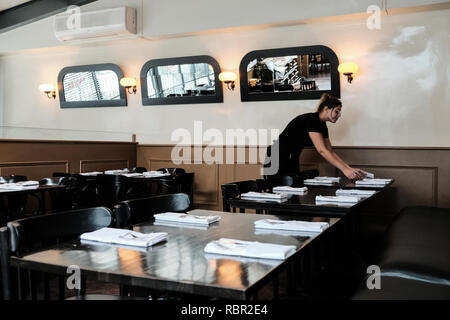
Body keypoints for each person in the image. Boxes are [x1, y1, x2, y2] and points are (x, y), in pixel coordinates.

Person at [263, 93, 367, 180]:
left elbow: (330, 151)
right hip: (276, 157)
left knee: (292, 192)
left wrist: (349, 168)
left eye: (339, 112)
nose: (339, 115)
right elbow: (322, 150)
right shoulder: (313, 120)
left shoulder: (322, 125)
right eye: (337, 111)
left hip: (292, 158)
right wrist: (345, 170)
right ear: (326, 109)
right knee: (278, 194)